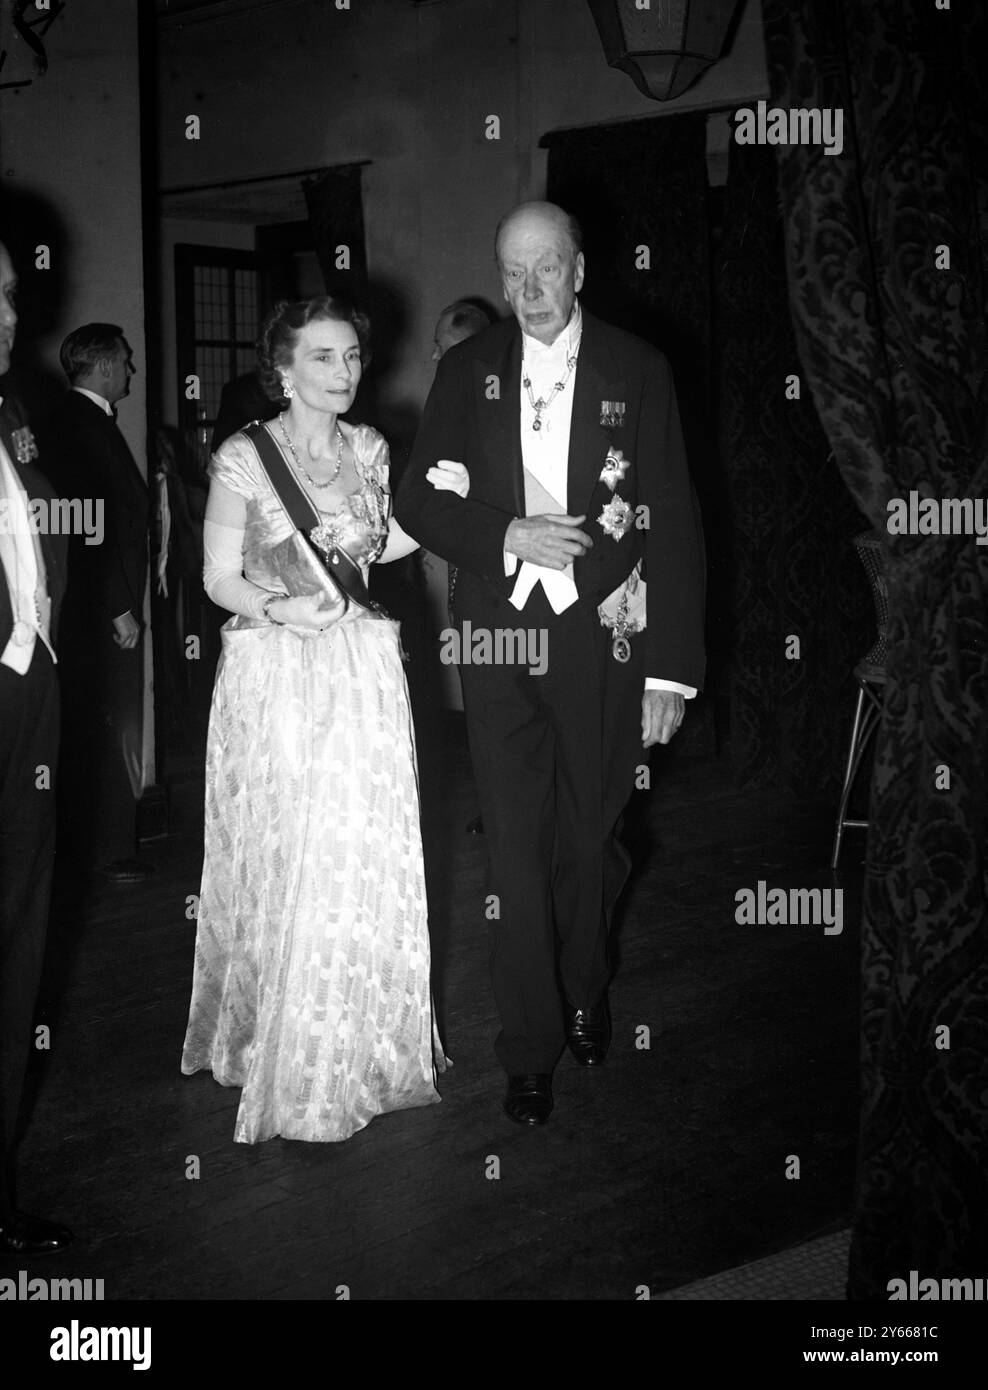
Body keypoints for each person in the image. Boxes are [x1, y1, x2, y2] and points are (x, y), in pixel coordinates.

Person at [396, 202, 706, 1125]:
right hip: (499, 636)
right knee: (518, 849)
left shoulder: (637, 368)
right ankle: (528, 1045)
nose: (528, 292)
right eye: (512, 273)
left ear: (578, 270)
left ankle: (586, 980)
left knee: (592, 838)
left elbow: (674, 518)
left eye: (545, 270)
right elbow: (417, 501)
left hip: (604, 636)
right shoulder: (466, 369)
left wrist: (670, 672)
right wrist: (505, 534)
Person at [180, 295, 466, 1144]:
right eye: (322, 358)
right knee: (291, 849)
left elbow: (376, 550)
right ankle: (284, 1045)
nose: (343, 374)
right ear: (283, 367)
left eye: (351, 358)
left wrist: (437, 508)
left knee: (357, 851)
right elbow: (217, 578)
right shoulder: (242, 456)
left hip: (363, 663)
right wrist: (280, 611)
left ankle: (356, 1043)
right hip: (275, 669)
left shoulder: (372, 448)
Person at [0, 237, 71, 1253]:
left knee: (15, 943)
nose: (6, 318)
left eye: (8, 296)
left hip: (28, 695)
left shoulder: (15, 413)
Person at [51, 324, 151, 883]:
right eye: (126, 362)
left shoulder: (81, 421)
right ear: (106, 367)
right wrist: (118, 606)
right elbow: (88, 525)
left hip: (104, 603)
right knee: (110, 718)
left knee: (108, 717)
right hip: (102, 609)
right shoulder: (82, 425)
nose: (131, 371)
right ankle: (107, 850)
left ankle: (105, 844)